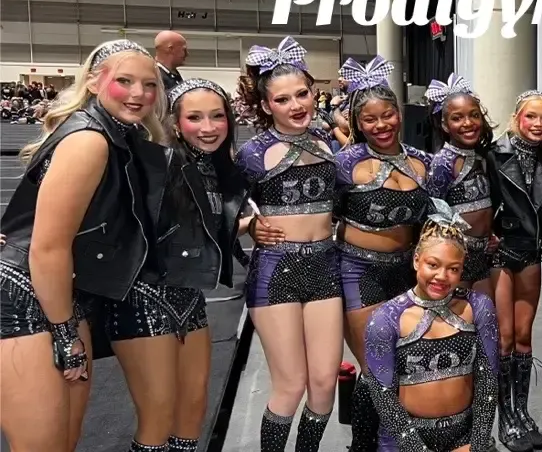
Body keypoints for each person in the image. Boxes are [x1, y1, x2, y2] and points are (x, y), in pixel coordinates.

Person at [0, 40, 172, 452]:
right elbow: (47, 247)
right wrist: (64, 332)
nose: (139, 94)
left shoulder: (117, 135)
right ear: (95, 82)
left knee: (62, 440)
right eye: (125, 81)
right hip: (29, 296)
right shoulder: (90, 139)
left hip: (62, 293)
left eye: (149, 85)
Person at [237, 38, 341, 452]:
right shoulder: (252, 153)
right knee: (291, 383)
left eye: (303, 94)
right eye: (283, 99)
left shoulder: (328, 142)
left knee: (323, 383)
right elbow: (219, 212)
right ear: (266, 107)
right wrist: (247, 226)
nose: (297, 105)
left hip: (325, 267)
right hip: (275, 272)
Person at [334, 58, 430, 452]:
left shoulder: (423, 163)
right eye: (370, 120)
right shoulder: (345, 163)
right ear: (358, 124)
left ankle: (395, 439)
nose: (381, 125)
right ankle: (363, 444)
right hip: (359, 271)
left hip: (405, 274)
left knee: (403, 363)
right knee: (375, 367)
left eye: (387, 114)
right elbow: (321, 214)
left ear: (399, 113)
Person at [364, 203, 498, 452]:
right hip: (404, 441)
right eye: (433, 265)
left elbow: (488, 382)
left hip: (464, 438)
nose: (442, 276)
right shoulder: (385, 319)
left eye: (453, 269)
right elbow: (385, 400)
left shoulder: (479, 307)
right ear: (417, 260)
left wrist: (476, 445)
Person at [162, 78, 250, 452]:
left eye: (217, 116)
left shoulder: (219, 168)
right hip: (146, 299)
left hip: (190, 297)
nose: (208, 127)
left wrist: (249, 225)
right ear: (175, 122)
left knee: (194, 403)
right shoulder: (159, 163)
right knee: (157, 412)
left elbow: (208, 230)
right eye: (194, 117)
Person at [490, 92, 542, 452]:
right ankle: (505, 417)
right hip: (498, 255)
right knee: (504, 337)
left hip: (529, 253)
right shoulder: (493, 154)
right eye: (531, 117)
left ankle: (521, 412)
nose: (538, 124)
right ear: (517, 118)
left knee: (524, 336)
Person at [424, 75, 499, 296]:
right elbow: (432, 213)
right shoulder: (443, 162)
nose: (468, 123)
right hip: (457, 256)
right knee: (458, 320)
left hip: (482, 256)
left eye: (474, 115)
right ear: (445, 125)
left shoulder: (481, 156)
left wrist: (490, 233)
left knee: (484, 319)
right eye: (457, 118)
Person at [154, 31, 188, 96]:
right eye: (184, 50)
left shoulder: (175, 76)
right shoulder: (155, 76)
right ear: (170, 49)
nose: (187, 54)